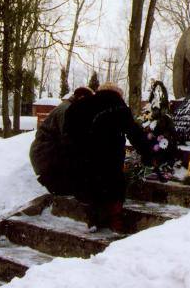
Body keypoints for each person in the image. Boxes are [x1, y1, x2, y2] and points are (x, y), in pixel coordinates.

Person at [64, 82, 152, 233]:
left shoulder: (81, 105)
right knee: (114, 186)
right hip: (110, 155)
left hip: (85, 156)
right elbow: (134, 133)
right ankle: (115, 220)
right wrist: (148, 153)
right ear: (118, 94)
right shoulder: (119, 107)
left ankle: (94, 219)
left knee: (93, 185)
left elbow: (68, 128)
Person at [29, 86, 93, 196]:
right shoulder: (67, 110)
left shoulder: (69, 107)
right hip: (46, 155)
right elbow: (68, 139)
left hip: (45, 153)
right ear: (82, 98)